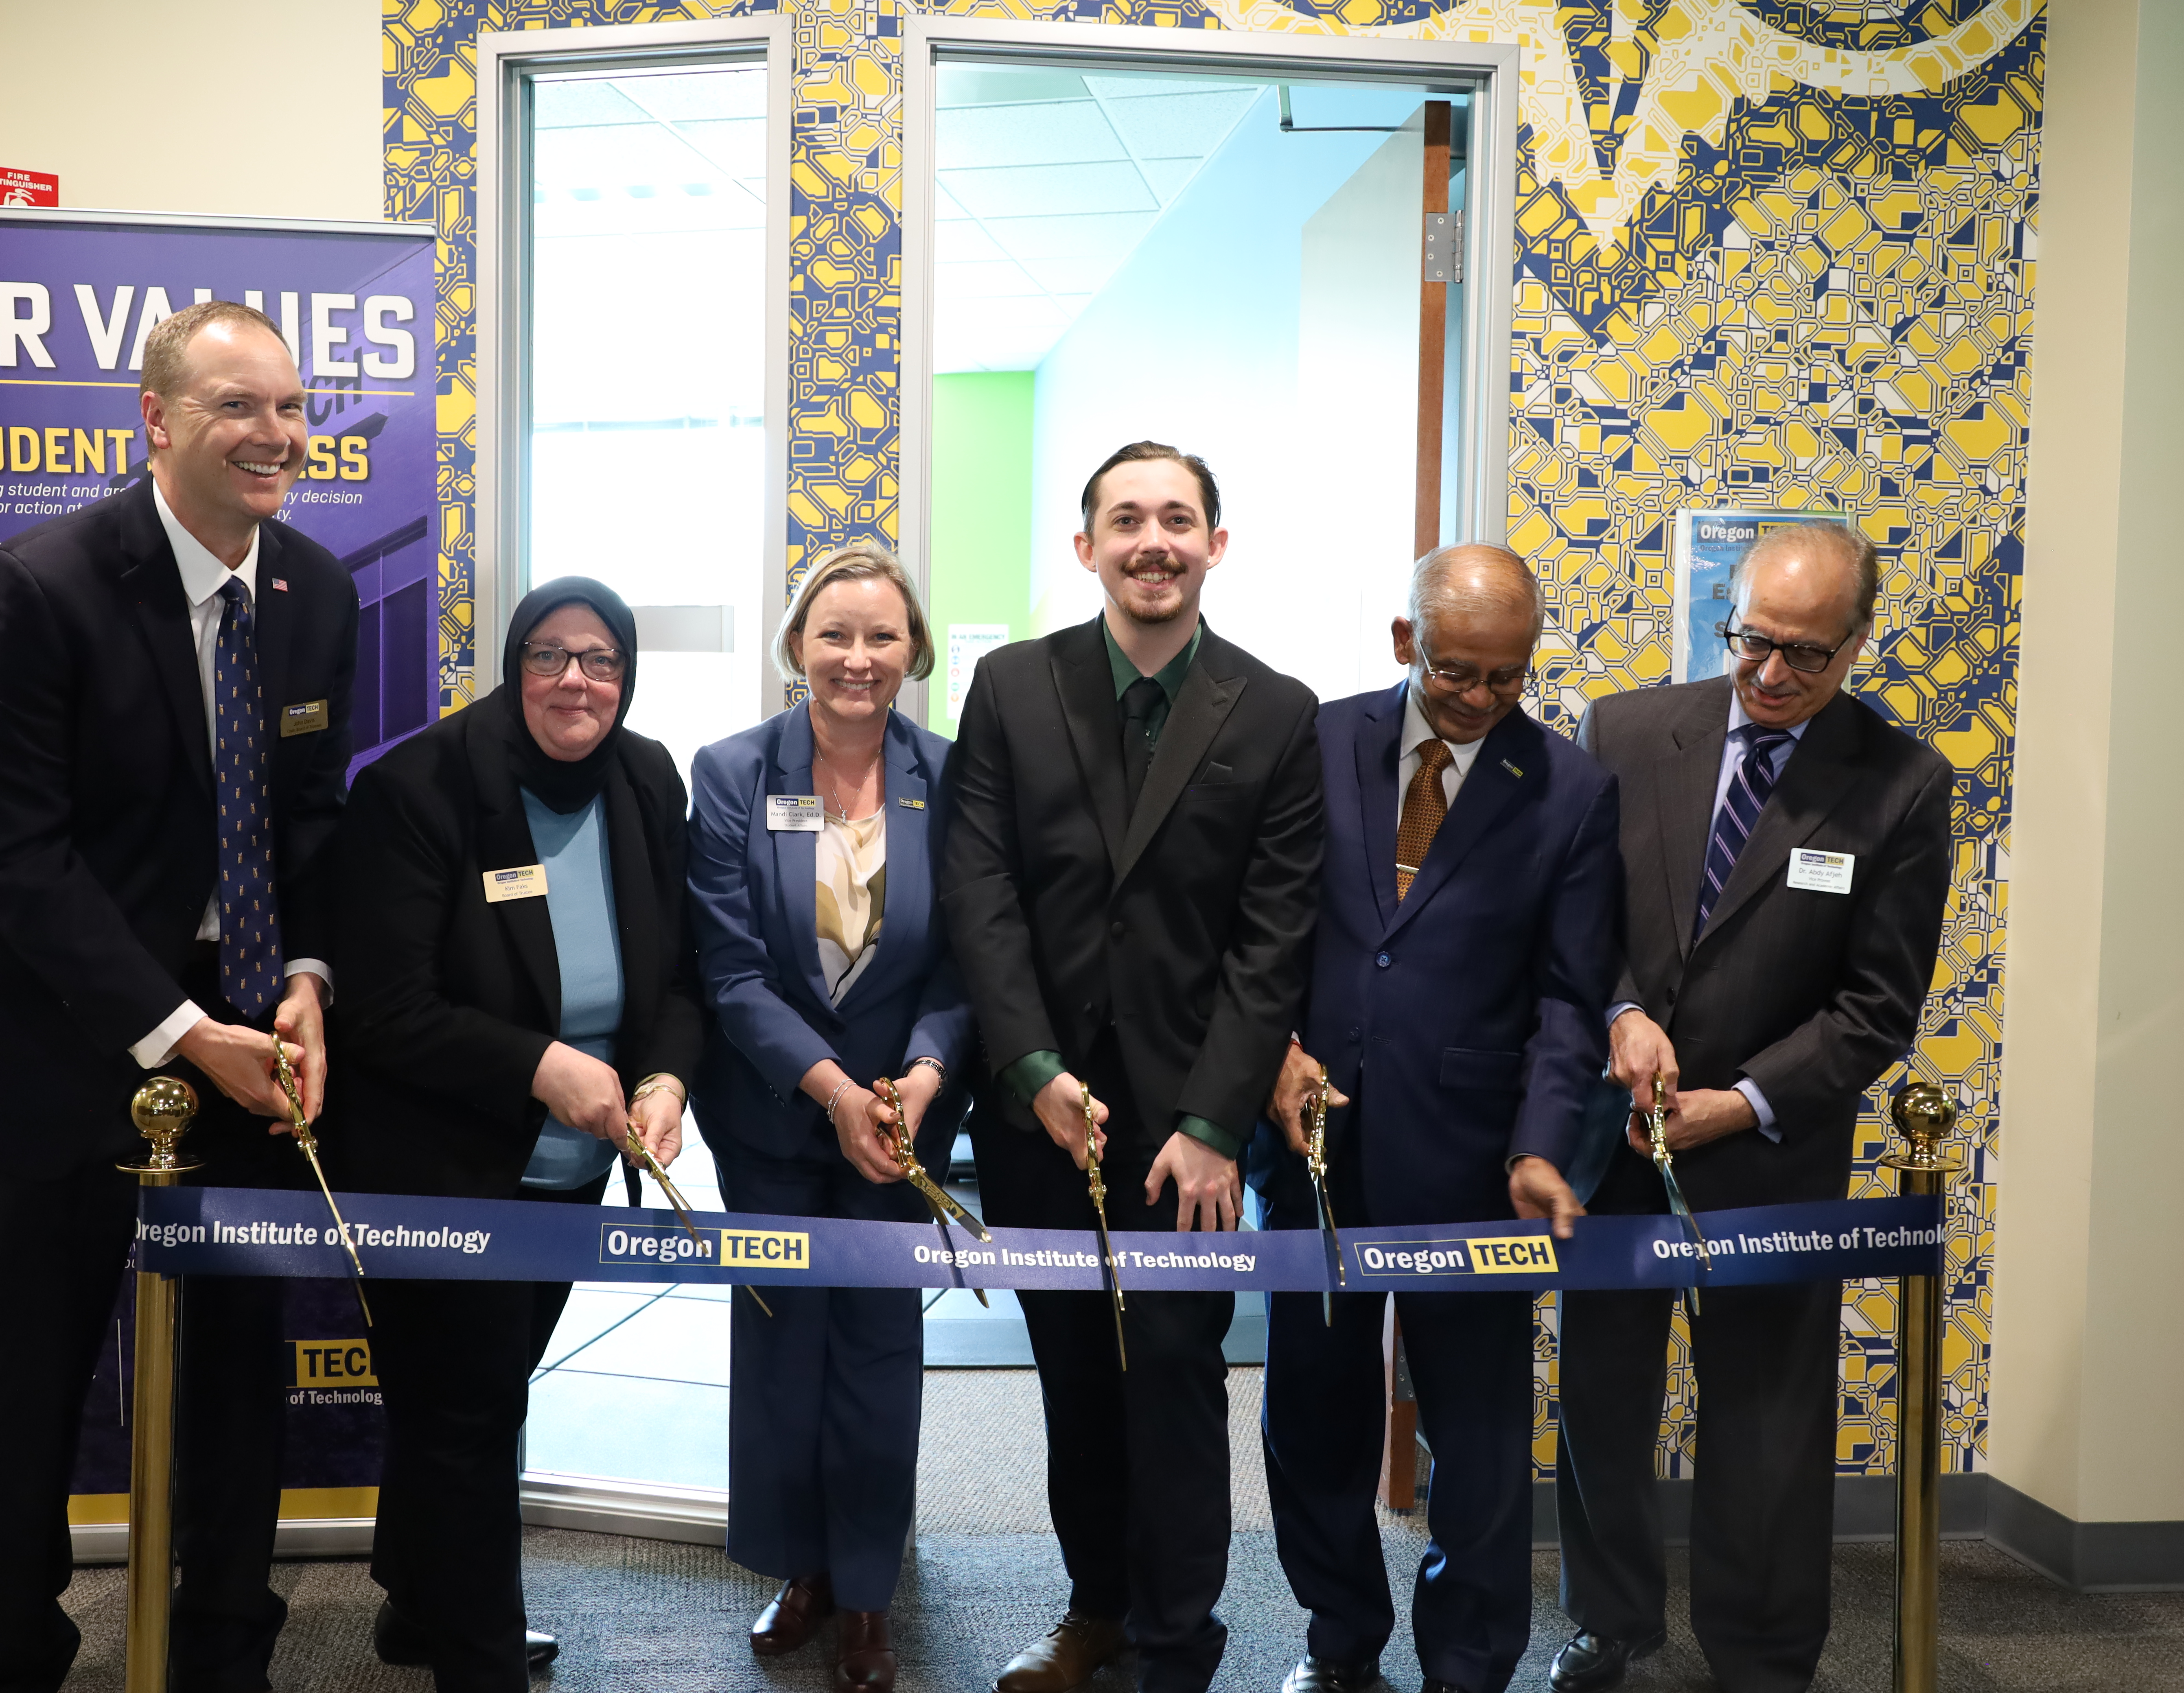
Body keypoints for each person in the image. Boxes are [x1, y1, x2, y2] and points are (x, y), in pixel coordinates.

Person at [0, 299, 357, 1692]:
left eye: (290, 406)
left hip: (248, 1043)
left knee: (235, 1368)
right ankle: (17, 1652)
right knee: (34, 1377)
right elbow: (9, 859)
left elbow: (312, 819)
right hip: (62, 1048)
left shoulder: (319, 594)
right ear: (157, 421)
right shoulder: (36, 588)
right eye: (240, 407)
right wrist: (180, 1037)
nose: (275, 434)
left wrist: (300, 982)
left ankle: (227, 1643)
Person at [943, 441, 1325, 1693]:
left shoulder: (1275, 711)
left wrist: (1218, 1122)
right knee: (1071, 1376)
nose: (1152, 541)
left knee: (1171, 1372)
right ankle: (1094, 1609)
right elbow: (980, 894)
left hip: (1188, 1130)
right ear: (1086, 546)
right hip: (1039, 1113)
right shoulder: (1008, 687)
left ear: (1217, 543)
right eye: (1126, 520)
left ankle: (1177, 1639)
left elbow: (1275, 936)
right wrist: (1032, 1066)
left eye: (1177, 519)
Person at [1550, 521, 1953, 1693]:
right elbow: (1579, 926)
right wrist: (1625, 1018)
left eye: (1808, 656)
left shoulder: (1902, 784)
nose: (1773, 675)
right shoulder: (1624, 731)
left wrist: (1741, 1103)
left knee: (1768, 1426)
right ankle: (1613, 1621)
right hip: (1617, 1140)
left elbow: (1877, 1009)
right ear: (1726, 616)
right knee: (1603, 1398)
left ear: (1857, 645)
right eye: (1754, 642)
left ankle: (1765, 1652)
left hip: (1772, 1158)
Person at [1256, 545, 1622, 1693]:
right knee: (1314, 1415)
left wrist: (1540, 1144)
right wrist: (1272, 1056)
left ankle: (1467, 1665)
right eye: (1457, 671)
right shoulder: (1315, 741)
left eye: (1506, 679)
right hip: (1312, 1143)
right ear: (1405, 640)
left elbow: (1572, 996)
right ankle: (1340, 1641)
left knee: (1477, 1442)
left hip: (1475, 1159)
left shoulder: (1570, 788)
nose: (1477, 699)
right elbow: (1256, 928)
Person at [329, 578, 703, 1691]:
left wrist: (669, 1076)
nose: (574, 680)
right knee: (469, 1412)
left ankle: (419, 1595)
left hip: (572, 1165)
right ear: (512, 664)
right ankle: (477, 1659)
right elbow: (386, 1008)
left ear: (627, 676)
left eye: (599, 659)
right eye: (548, 655)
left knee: (481, 1392)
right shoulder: (419, 791)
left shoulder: (645, 778)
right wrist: (543, 1068)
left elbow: (679, 972)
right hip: (436, 1166)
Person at [686, 542, 974, 1692]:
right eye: (835, 635)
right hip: (772, 1112)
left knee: (878, 1353)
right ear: (796, 645)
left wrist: (917, 1077)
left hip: (904, 1123)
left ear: (915, 652)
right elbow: (730, 967)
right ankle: (799, 1569)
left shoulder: (952, 779)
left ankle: (867, 1591)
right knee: (781, 1348)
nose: (858, 659)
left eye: (882, 637)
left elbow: (968, 962)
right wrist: (833, 1089)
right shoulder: (732, 771)